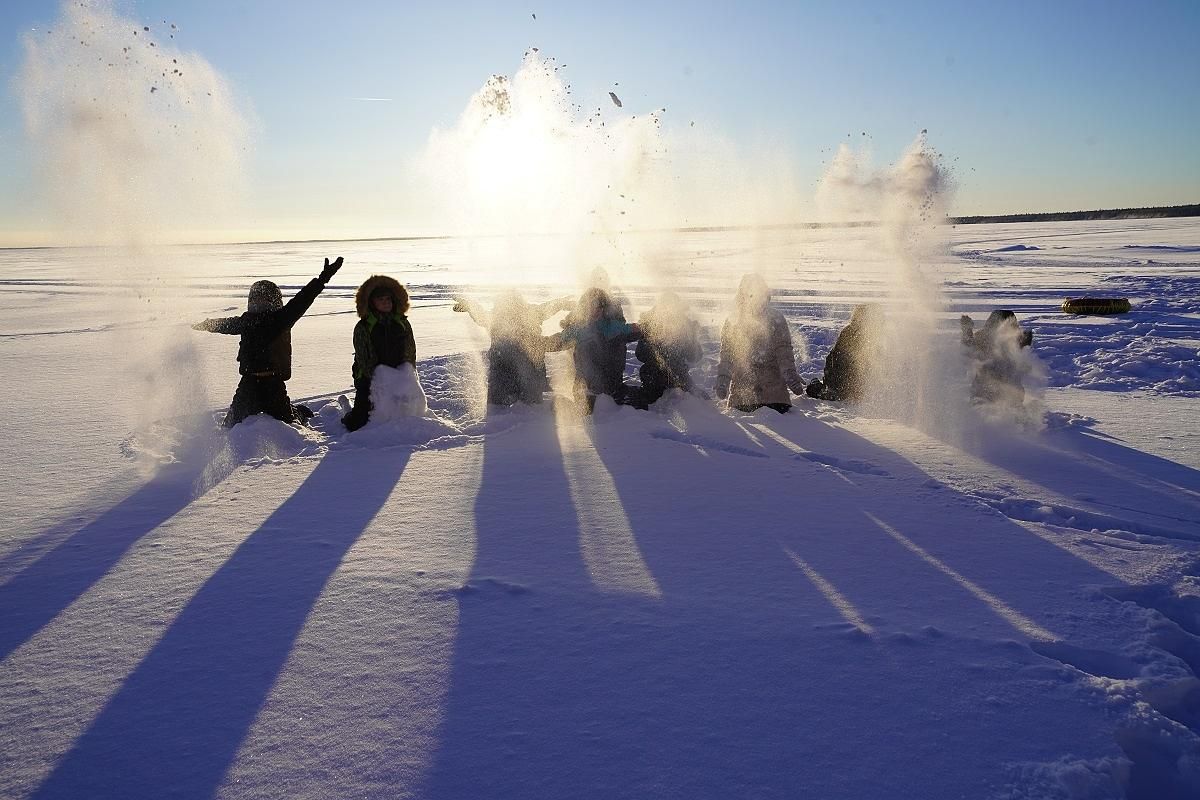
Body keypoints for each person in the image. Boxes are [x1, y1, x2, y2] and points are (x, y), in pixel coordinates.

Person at [193, 257, 342, 428]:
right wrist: (205, 324)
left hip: (274, 384)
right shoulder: (246, 321)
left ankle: (299, 411)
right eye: (256, 299)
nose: (259, 303)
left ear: (273, 301)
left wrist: (323, 278)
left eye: (264, 299)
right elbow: (225, 324)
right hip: (249, 384)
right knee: (229, 426)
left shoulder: (282, 319)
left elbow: (303, 299)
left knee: (290, 424)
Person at [453, 290, 574, 406]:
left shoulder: (528, 315)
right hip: (504, 374)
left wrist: (562, 304)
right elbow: (481, 314)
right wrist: (470, 306)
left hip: (528, 376)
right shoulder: (499, 318)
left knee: (528, 401)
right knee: (500, 402)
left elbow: (548, 309)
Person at [714, 274, 805, 413]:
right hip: (743, 398)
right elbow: (727, 355)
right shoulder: (734, 321)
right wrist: (723, 380)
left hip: (775, 398)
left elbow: (784, 352)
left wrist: (790, 374)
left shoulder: (776, 319)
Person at [548, 287, 641, 413]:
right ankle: (587, 391)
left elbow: (630, 329)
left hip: (609, 378)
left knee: (615, 343)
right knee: (587, 346)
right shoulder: (578, 329)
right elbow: (558, 340)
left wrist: (645, 327)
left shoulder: (611, 326)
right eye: (591, 306)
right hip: (585, 382)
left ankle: (612, 390)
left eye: (599, 306)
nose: (595, 310)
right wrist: (535, 343)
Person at [341, 275, 416, 431]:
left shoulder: (402, 323)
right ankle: (347, 412)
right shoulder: (363, 327)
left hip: (398, 375)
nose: (385, 302)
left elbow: (410, 351)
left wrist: (407, 373)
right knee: (359, 423)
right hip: (370, 378)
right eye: (380, 299)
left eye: (388, 299)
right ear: (372, 303)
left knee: (408, 415)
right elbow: (363, 358)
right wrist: (378, 379)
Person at [632, 291, 702, 407]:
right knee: (648, 400)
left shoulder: (684, 327)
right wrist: (657, 354)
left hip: (678, 375)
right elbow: (640, 353)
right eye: (665, 308)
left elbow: (695, 356)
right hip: (653, 375)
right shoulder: (651, 326)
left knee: (696, 399)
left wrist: (693, 338)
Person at [806, 303, 884, 402]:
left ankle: (828, 389)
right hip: (844, 385)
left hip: (843, 385)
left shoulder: (857, 331)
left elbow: (834, 358)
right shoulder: (862, 333)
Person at [960, 309, 1034, 405]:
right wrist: (967, 331)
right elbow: (968, 350)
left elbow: (968, 350)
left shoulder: (1017, 341)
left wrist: (967, 331)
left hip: (1005, 394)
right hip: (985, 391)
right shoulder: (984, 338)